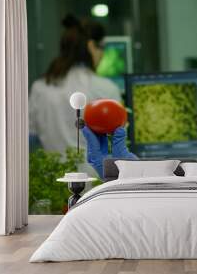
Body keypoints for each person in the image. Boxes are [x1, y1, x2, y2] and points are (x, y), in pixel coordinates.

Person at [29, 15, 125, 175]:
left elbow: (28, 139)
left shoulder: (40, 88)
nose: (102, 55)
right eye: (101, 47)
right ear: (91, 46)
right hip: (94, 186)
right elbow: (118, 145)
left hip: (53, 184)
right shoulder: (105, 89)